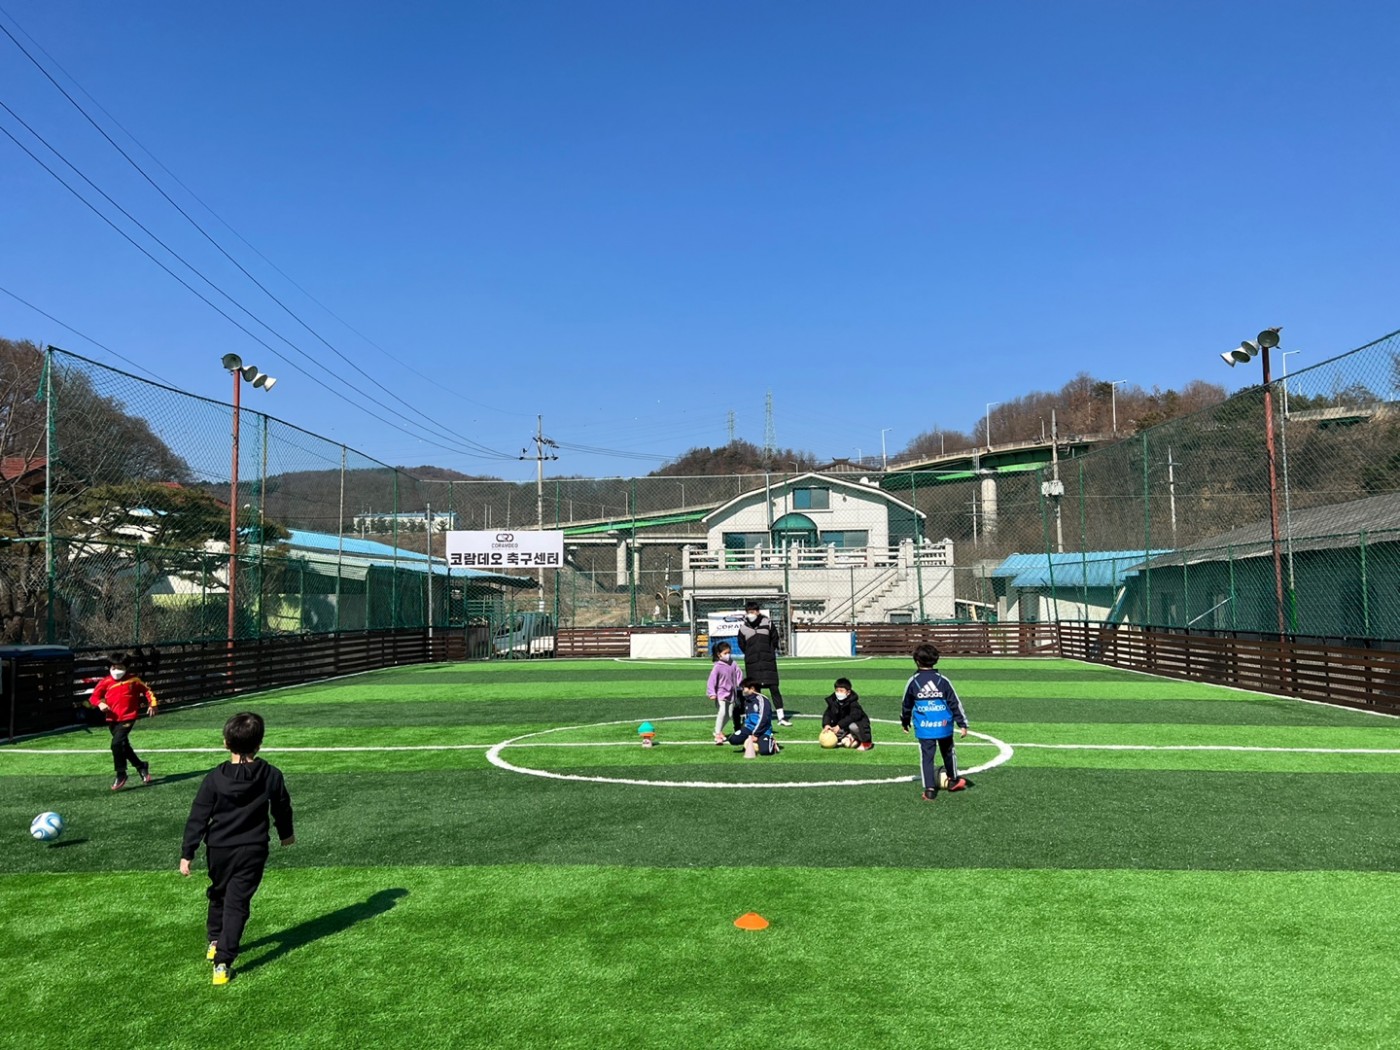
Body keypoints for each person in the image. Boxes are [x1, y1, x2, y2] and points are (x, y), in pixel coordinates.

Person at [180, 712, 295, 986]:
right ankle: (222, 962)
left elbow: (198, 817)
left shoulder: (214, 778)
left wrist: (188, 853)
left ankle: (215, 942)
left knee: (219, 893)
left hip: (219, 849)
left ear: (225, 743)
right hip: (253, 849)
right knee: (237, 903)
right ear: (259, 744)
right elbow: (281, 807)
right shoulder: (271, 775)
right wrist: (286, 834)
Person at [900, 643, 970, 801]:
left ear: (916, 661)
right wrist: (962, 724)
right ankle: (953, 780)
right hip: (944, 725)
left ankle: (929, 790)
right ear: (936, 660)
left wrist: (905, 721)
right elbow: (954, 703)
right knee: (948, 752)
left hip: (925, 727)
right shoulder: (942, 680)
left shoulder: (913, 681)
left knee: (927, 757)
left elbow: (906, 704)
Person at [88, 652, 158, 791]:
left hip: (128, 717)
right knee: (123, 746)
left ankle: (121, 773)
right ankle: (141, 766)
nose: (116, 671)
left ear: (126, 667)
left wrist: (153, 704)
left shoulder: (133, 680)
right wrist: (100, 704)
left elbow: (147, 691)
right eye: (113, 667)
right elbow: (94, 697)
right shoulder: (105, 682)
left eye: (120, 667)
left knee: (116, 744)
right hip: (112, 719)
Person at [736, 600, 792, 726]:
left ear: (758, 612)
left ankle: (781, 717)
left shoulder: (768, 623)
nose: (751, 614)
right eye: (749, 612)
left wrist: (769, 653)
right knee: (756, 691)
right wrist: (751, 655)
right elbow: (742, 645)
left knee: (774, 688)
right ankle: (758, 716)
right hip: (752, 664)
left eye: (753, 611)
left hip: (768, 663)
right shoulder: (743, 628)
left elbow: (775, 639)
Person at [714, 678, 781, 757]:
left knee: (765, 751)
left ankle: (772, 742)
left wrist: (755, 734)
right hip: (749, 729)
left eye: (744, 688)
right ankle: (754, 742)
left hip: (763, 730)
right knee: (733, 739)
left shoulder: (762, 700)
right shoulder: (747, 700)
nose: (742, 690)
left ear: (752, 689)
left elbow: (764, 719)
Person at [822, 677, 873, 750]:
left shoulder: (854, 703)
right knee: (832, 731)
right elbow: (828, 714)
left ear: (848, 692)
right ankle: (851, 737)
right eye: (837, 690)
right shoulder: (833, 701)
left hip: (859, 725)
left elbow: (853, 716)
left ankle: (866, 743)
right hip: (844, 725)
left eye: (841, 691)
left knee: (853, 727)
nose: (838, 693)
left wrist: (839, 725)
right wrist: (826, 724)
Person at [706, 641, 744, 742]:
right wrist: (711, 693)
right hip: (721, 694)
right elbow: (711, 680)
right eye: (725, 653)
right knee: (722, 712)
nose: (728, 655)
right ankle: (717, 734)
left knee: (729, 714)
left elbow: (739, 673)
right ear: (719, 654)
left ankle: (719, 731)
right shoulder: (717, 666)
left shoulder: (733, 663)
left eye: (729, 652)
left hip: (731, 693)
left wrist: (741, 685)